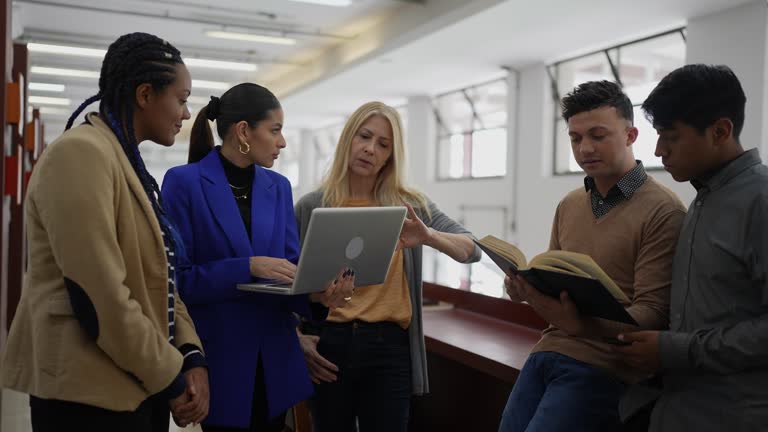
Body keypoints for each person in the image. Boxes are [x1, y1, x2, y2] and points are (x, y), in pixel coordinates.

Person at [0, 32, 208, 431]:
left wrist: (190, 354)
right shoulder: (81, 154)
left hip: (137, 382)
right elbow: (99, 297)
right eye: (181, 100)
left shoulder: (127, 162)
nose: (186, 114)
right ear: (145, 94)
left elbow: (161, 276)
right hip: (86, 394)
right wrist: (171, 375)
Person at [161, 83, 353, 432]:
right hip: (222, 359)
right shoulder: (183, 183)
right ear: (244, 131)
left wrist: (318, 296)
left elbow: (291, 271)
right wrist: (248, 267)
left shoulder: (277, 188)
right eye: (275, 130)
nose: (282, 142)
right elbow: (177, 281)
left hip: (276, 359)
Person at [497, 80, 686, 432]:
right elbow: (553, 284)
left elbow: (654, 314)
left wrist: (579, 325)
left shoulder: (663, 210)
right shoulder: (569, 204)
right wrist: (526, 291)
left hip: (604, 367)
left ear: (631, 135)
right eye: (575, 138)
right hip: (546, 351)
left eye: (598, 135)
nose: (585, 148)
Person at [294, 101, 481, 432]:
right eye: (364, 137)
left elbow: (471, 249)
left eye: (383, 144)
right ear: (348, 139)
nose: (370, 149)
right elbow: (288, 286)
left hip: (389, 348)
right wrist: (296, 337)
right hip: (329, 344)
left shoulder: (412, 207)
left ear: (392, 156)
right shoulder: (311, 206)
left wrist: (428, 235)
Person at [615, 64, 768, 431]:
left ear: (720, 131)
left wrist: (675, 350)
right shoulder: (703, 200)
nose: (658, 150)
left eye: (671, 136)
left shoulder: (760, 201)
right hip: (674, 408)